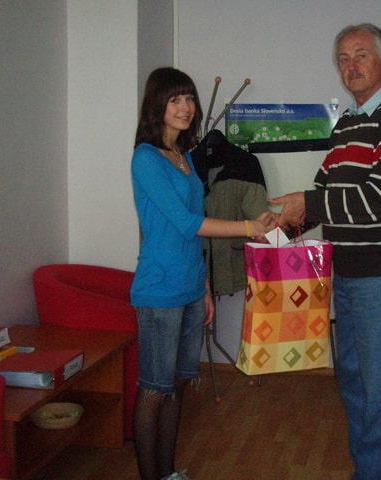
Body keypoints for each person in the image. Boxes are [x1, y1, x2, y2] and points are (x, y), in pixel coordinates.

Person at [271, 24, 381, 480]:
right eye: (343, 58)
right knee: (356, 386)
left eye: (361, 55)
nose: (351, 66)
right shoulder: (348, 122)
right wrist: (280, 227)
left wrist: (309, 204)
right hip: (348, 274)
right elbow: (324, 190)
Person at [130, 67, 273, 480]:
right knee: (154, 389)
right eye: (175, 99)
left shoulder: (185, 157)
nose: (186, 107)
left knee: (176, 387)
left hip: (191, 287)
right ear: (157, 106)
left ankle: (169, 473)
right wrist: (249, 227)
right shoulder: (146, 158)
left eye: (189, 98)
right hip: (160, 290)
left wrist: (205, 286)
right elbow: (187, 223)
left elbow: (196, 225)